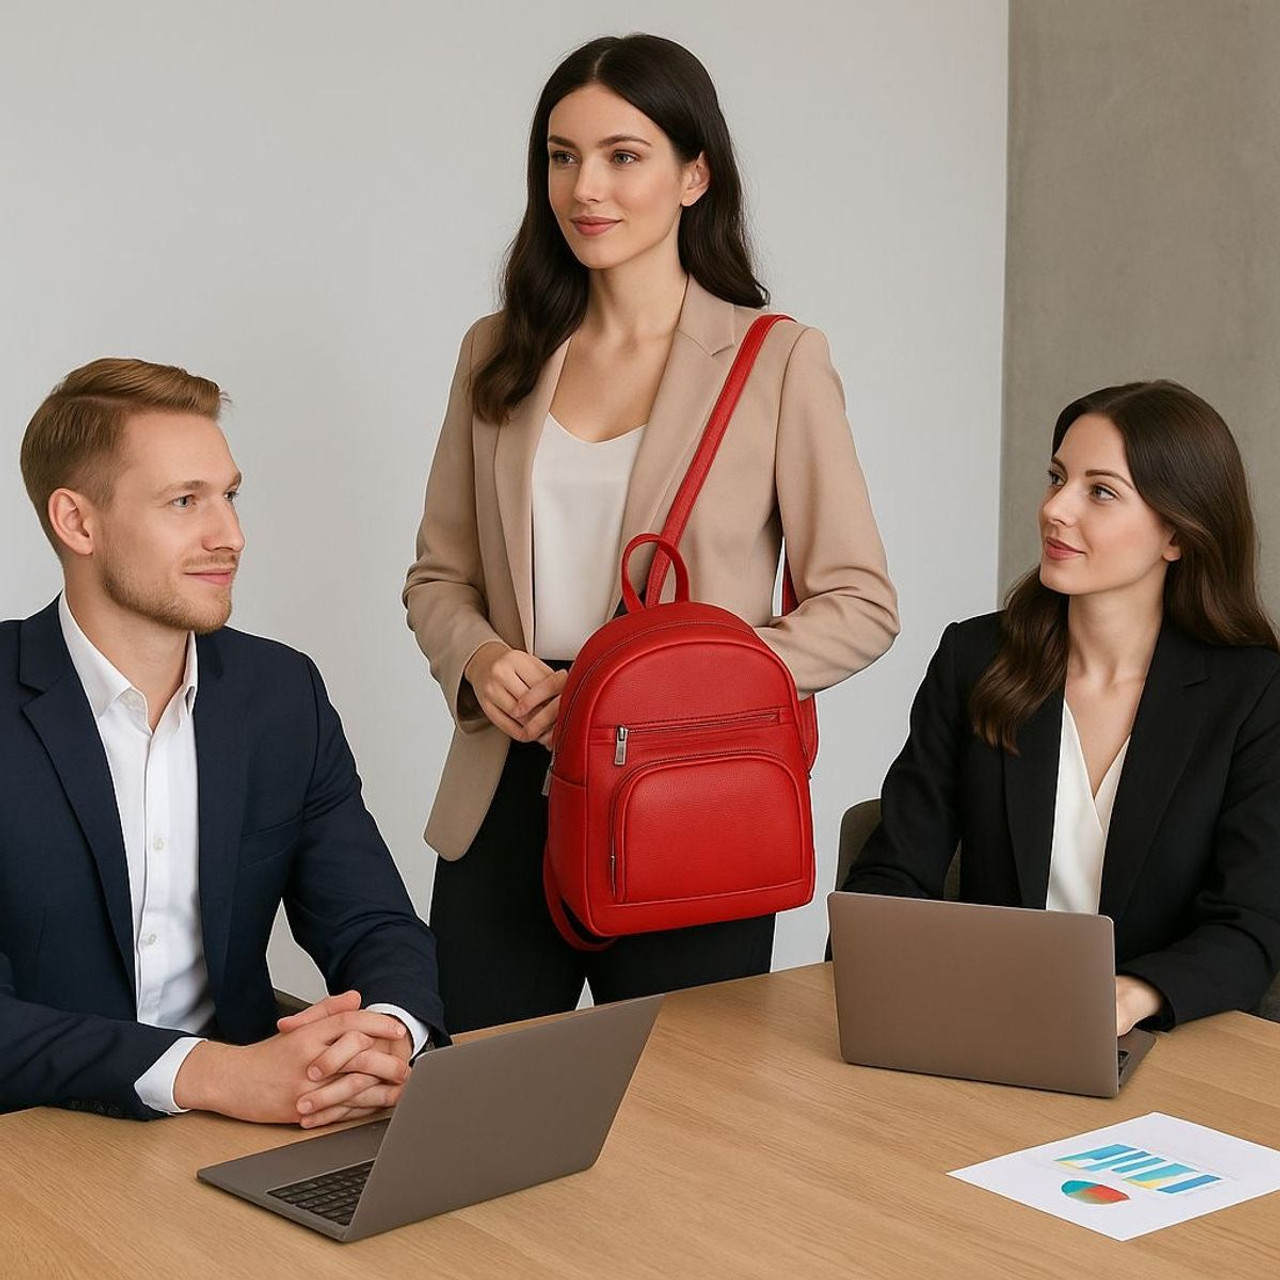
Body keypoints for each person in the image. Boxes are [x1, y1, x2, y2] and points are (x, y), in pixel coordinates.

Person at [405, 33, 898, 1032]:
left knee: (688, 1108)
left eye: (622, 155)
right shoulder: (497, 352)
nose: (585, 187)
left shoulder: (775, 361)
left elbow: (859, 605)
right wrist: (481, 658)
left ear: (693, 175)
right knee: (482, 1097)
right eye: (562, 156)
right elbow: (437, 577)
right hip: (510, 785)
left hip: (687, 786)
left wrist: (682, 688)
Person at [2, 357, 447, 1124]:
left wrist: (385, 1036)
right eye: (185, 501)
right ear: (77, 522)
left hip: (238, 1131)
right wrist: (211, 1074)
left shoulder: (281, 694)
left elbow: (371, 922)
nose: (231, 536)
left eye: (229, 496)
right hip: (39, 1136)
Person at [843, 380, 1280, 1032]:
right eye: (1057, 478)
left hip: (1165, 1042)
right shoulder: (975, 659)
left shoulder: (1252, 693)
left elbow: (1251, 923)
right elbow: (892, 873)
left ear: (1177, 535)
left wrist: (1131, 998)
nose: (1055, 508)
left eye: (1100, 491)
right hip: (982, 1024)